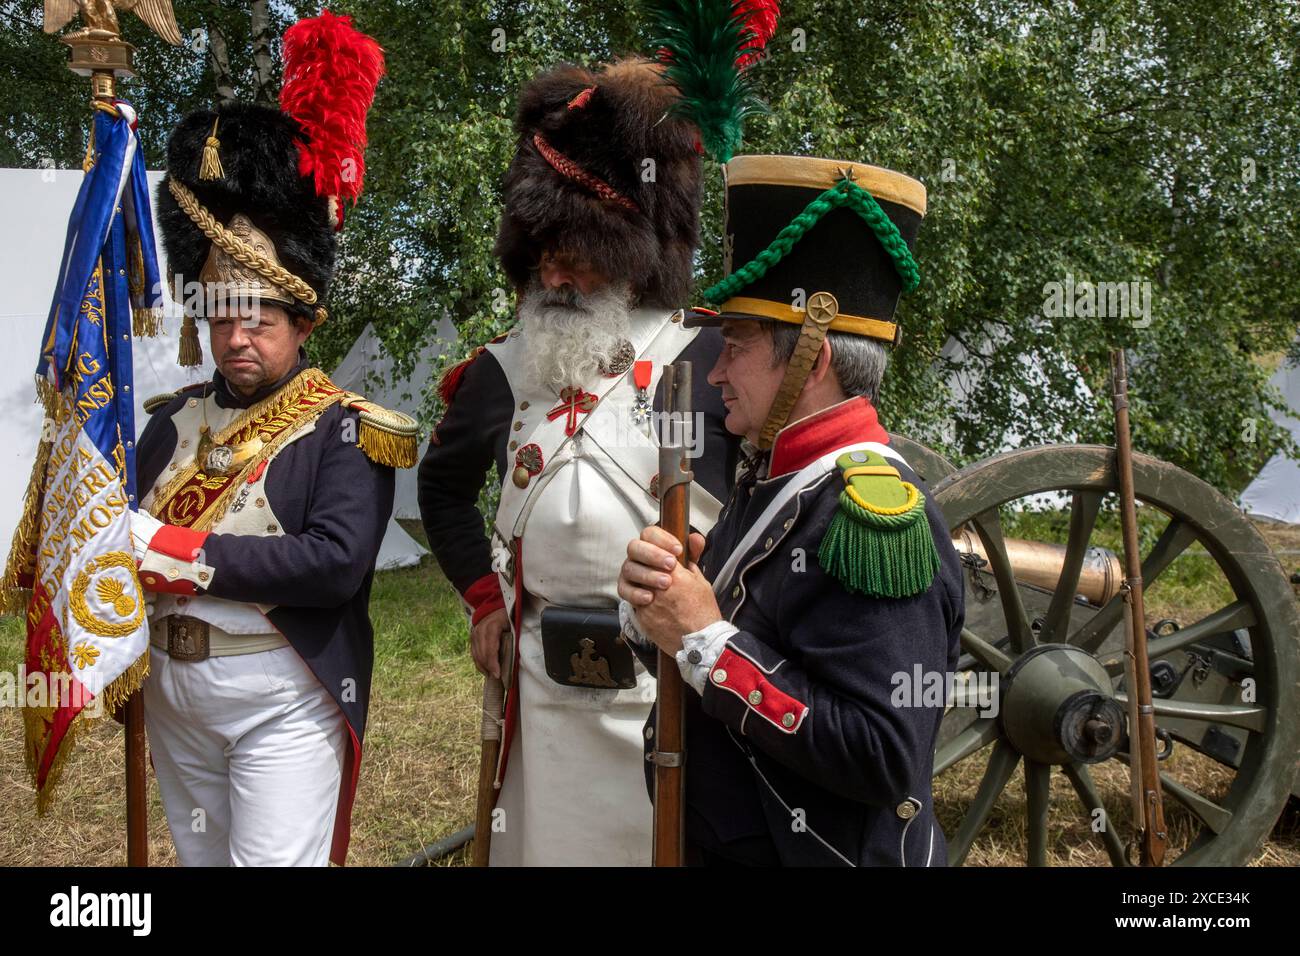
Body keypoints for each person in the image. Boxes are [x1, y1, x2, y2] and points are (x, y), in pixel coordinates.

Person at [418, 56, 739, 865]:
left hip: (668, 679)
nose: (554, 275)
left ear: (634, 251)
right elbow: (444, 488)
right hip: (539, 678)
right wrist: (484, 602)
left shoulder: (707, 357)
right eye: (543, 253)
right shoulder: (498, 368)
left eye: (581, 253)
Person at [617, 154, 963, 866]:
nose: (713, 372)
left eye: (734, 346)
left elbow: (884, 753)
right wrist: (664, 609)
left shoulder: (872, 516)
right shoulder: (780, 479)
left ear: (813, 357)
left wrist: (710, 641)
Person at [128, 13, 412, 866]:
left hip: (280, 695)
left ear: (301, 322)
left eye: (258, 319)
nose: (237, 338)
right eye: (221, 318)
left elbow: (331, 565)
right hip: (174, 696)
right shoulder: (165, 423)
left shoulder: (350, 428)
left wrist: (171, 550)